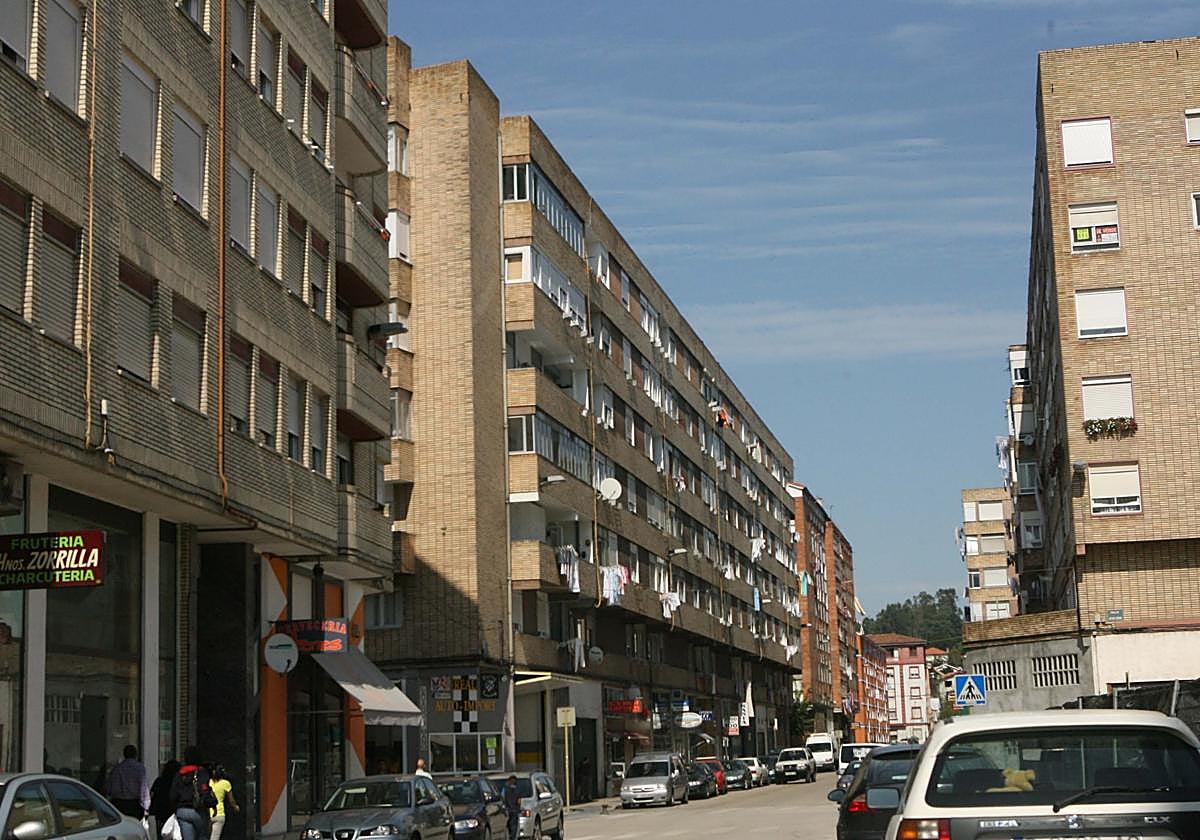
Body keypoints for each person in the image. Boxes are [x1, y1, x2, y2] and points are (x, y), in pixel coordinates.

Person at [171, 747, 215, 840]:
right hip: (198, 811)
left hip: (182, 811)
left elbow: (173, 795)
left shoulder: (179, 774)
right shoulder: (201, 772)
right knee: (203, 836)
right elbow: (205, 791)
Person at [107, 745, 150, 819]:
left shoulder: (117, 769)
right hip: (134, 805)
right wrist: (146, 806)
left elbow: (110, 789)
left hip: (119, 804)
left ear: (124, 755)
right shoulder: (139, 768)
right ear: (135, 755)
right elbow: (143, 789)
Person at [150, 761, 182, 834]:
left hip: (160, 811)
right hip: (174, 810)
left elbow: (152, 794)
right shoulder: (178, 782)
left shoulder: (159, 781)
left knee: (162, 832)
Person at [208, 765, 239, 840]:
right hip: (219, 814)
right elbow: (231, 800)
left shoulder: (209, 782)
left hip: (207, 814)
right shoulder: (226, 783)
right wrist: (235, 807)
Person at [502, 775, 521, 840]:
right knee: (514, 826)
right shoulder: (517, 790)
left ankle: (509, 836)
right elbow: (519, 801)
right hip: (514, 811)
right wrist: (518, 808)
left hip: (507, 810)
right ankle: (512, 837)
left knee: (507, 826)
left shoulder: (505, 789)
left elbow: (503, 799)